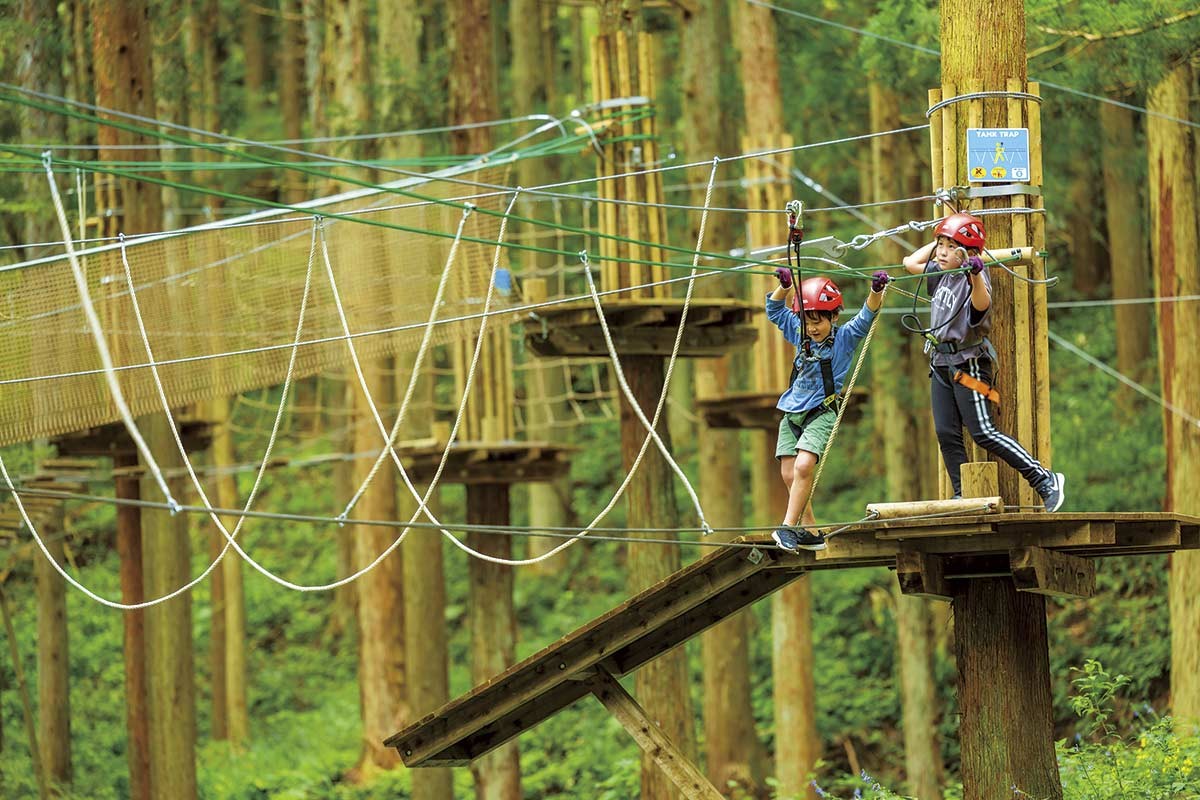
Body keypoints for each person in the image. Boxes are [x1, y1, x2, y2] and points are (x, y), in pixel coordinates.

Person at [901, 211, 1065, 511]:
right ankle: (963, 493)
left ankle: (1044, 479)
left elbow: (981, 305)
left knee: (983, 432)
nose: (942, 252)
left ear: (969, 253)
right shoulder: (940, 272)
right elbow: (909, 264)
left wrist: (974, 270)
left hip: (968, 365)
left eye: (951, 247)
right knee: (946, 433)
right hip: (940, 363)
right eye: (941, 245)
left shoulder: (973, 278)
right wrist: (938, 239)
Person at [768, 269, 889, 552]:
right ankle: (810, 530)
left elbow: (866, 315)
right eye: (807, 322)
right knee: (789, 474)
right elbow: (774, 310)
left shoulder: (844, 339)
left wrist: (876, 290)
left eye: (818, 321)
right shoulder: (800, 334)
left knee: (803, 466)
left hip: (820, 412)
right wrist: (784, 287)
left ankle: (788, 527)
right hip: (791, 412)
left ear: (833, 317)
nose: (812, 328)